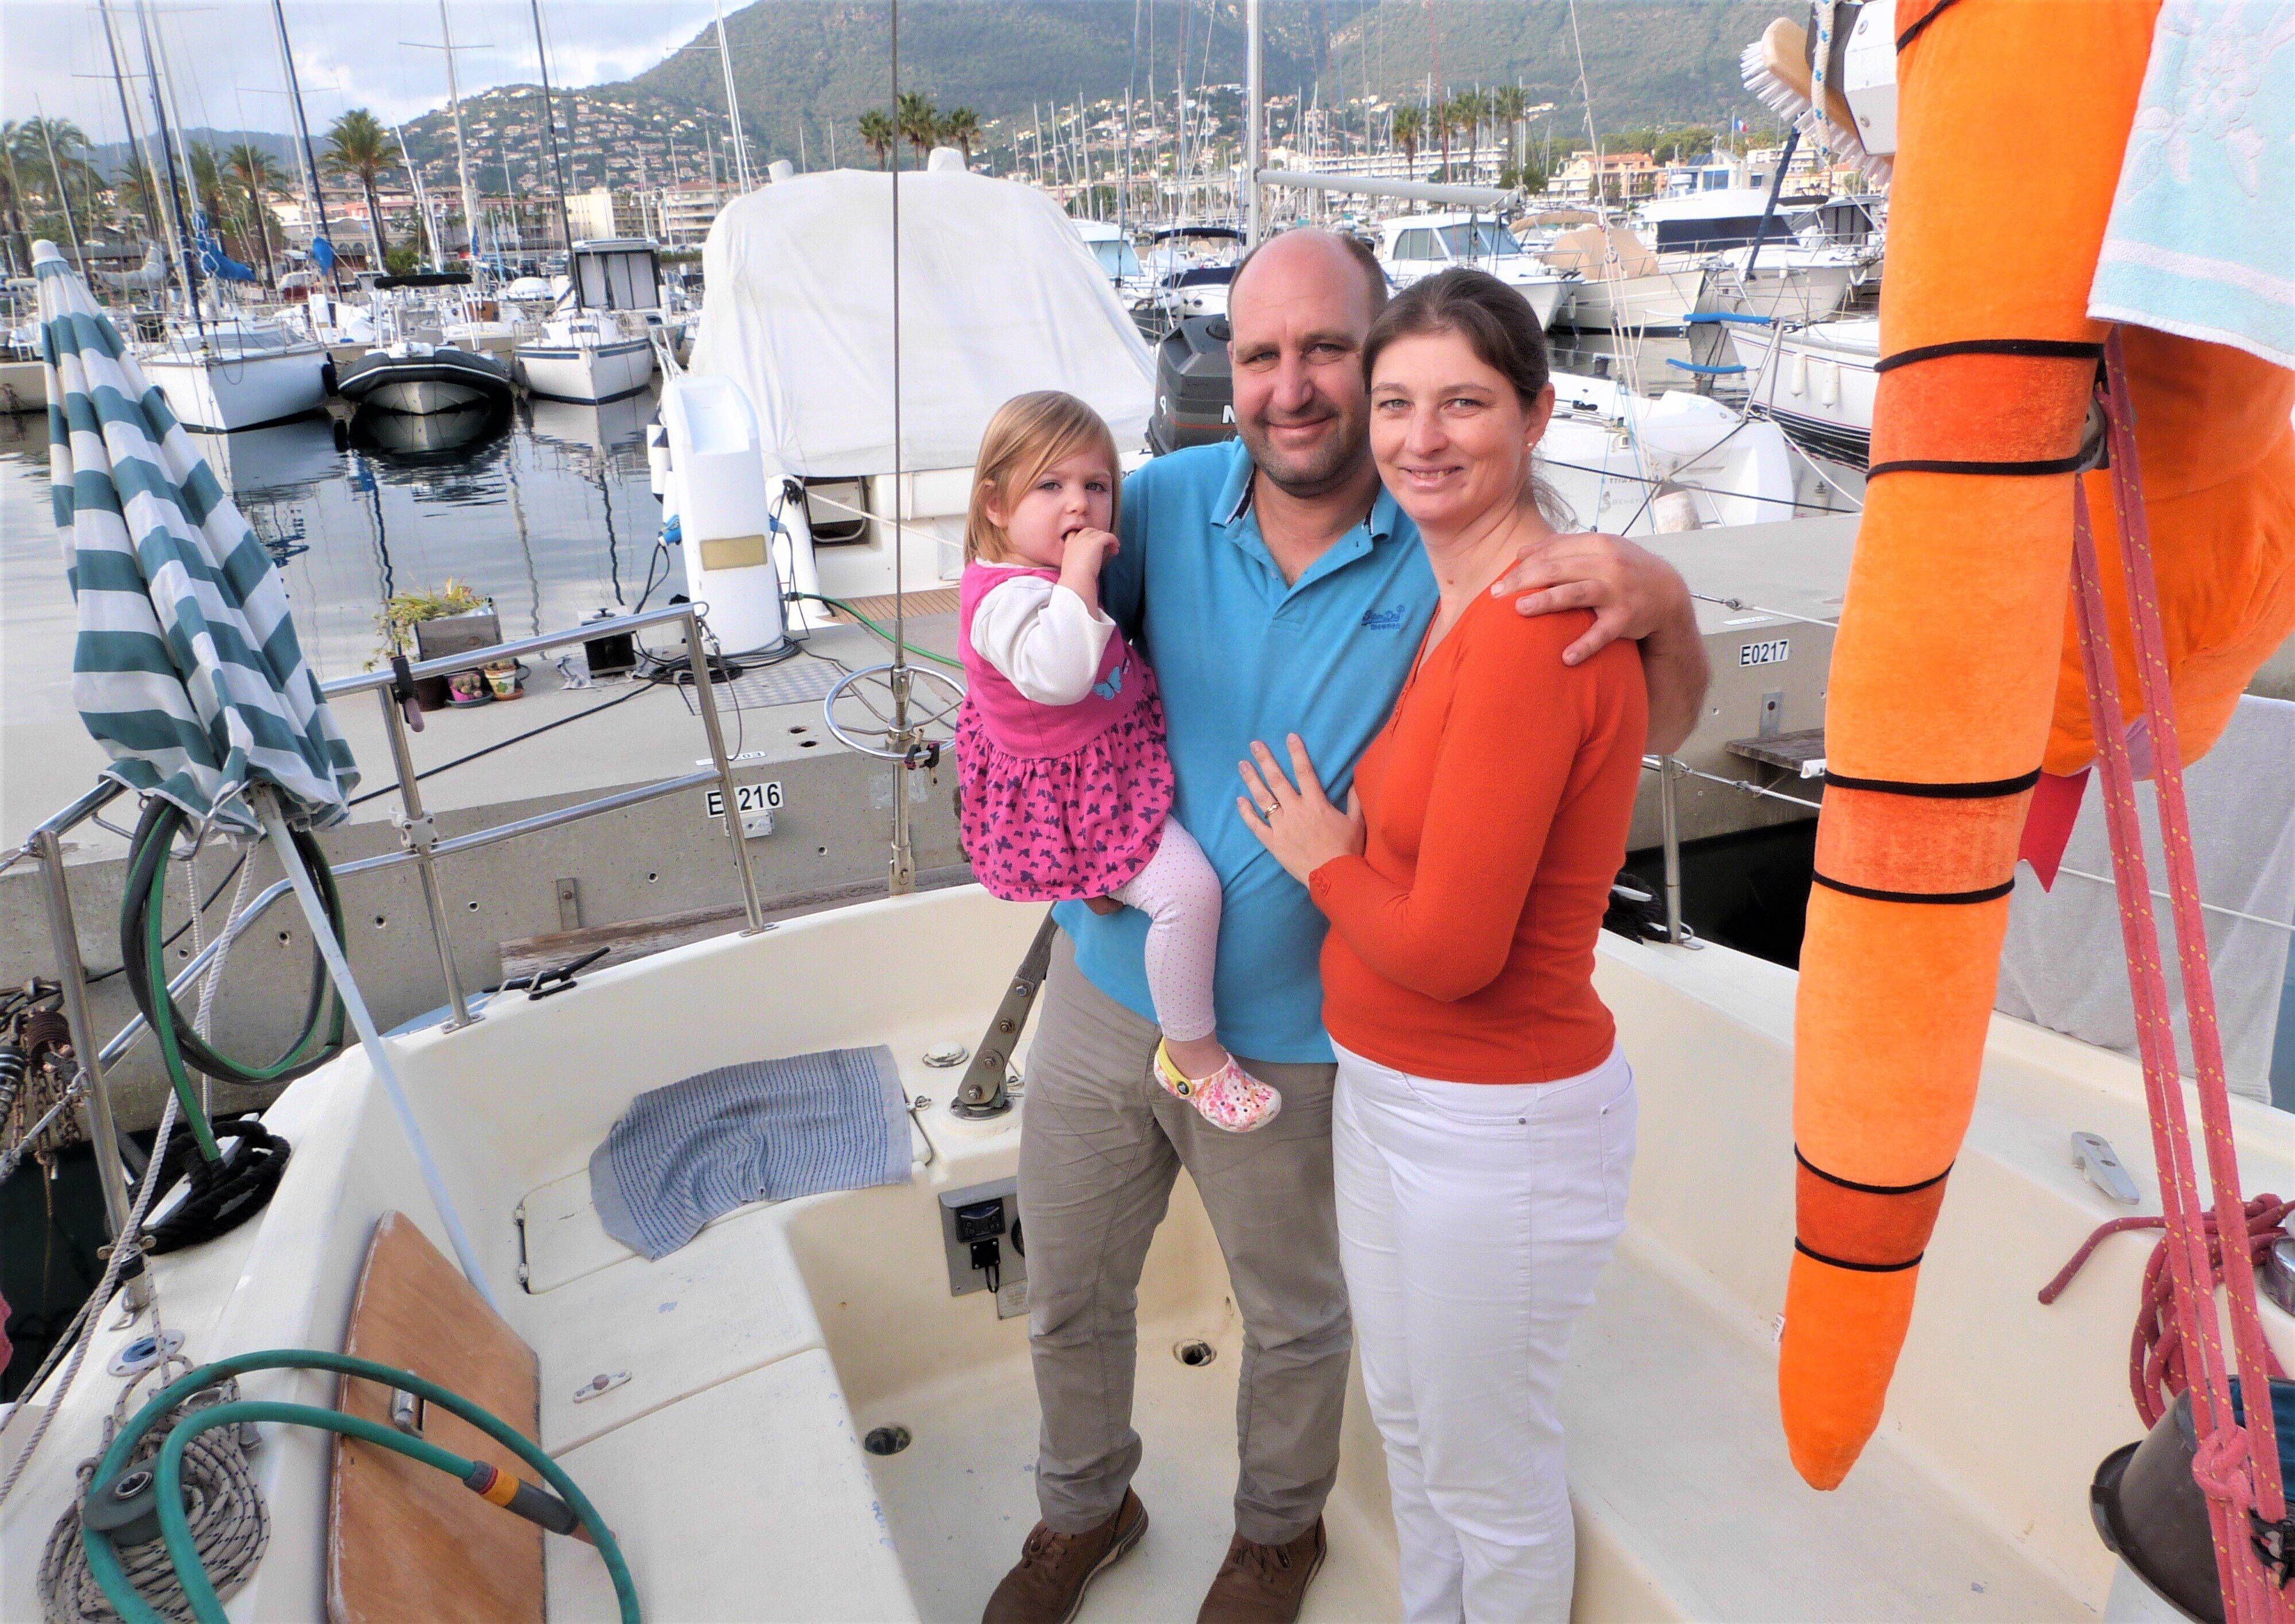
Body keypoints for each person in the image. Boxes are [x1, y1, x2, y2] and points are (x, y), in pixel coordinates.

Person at [983, 230, 1709, 1624]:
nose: (1293, 385)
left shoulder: (1459, 544)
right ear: (1225, 372)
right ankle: (1082, 1508)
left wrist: (1663, 595)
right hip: (1102, 987)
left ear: (1377, 356)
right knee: (1069, 1289)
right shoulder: (1162, 505)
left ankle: (1275, 1537)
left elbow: (1640, 725)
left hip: (1305, 1031)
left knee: (1298, 1319)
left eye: (1328, 350)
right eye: (1260, 354)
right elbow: (1031, 648)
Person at [1239, 268, 1645, 1621]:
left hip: (1496, 1125)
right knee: (1411, 1431)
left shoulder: (1530, 631)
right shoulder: (1456, 601)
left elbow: (1457, 949)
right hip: (1401, 1101)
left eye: (1463, 403)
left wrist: (1325, 861)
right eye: (1398, 402)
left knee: (1485, 1467)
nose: (1421, 437)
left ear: (1534, 413)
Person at [956, 391, 1279, 1131]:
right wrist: (1077, 575)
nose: (1080, 505)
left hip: (1101, 774)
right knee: (1187, 894)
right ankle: (1191, 1054)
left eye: (1096, 486)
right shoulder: (1007, 599)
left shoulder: (1041, 577)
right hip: (1078, 800)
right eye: (1051, 485)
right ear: (995, 504)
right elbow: (1064, 673)